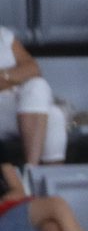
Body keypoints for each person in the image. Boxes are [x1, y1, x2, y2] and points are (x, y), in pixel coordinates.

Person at [0, 25, 66, 168]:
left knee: (39, 87)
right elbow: (25, 72)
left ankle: (33, 169)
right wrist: (16, 75)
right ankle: (34, 173)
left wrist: (5, 76)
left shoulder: (3, 35)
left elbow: (33, 69)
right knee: (52, 114)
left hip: (15, 107)